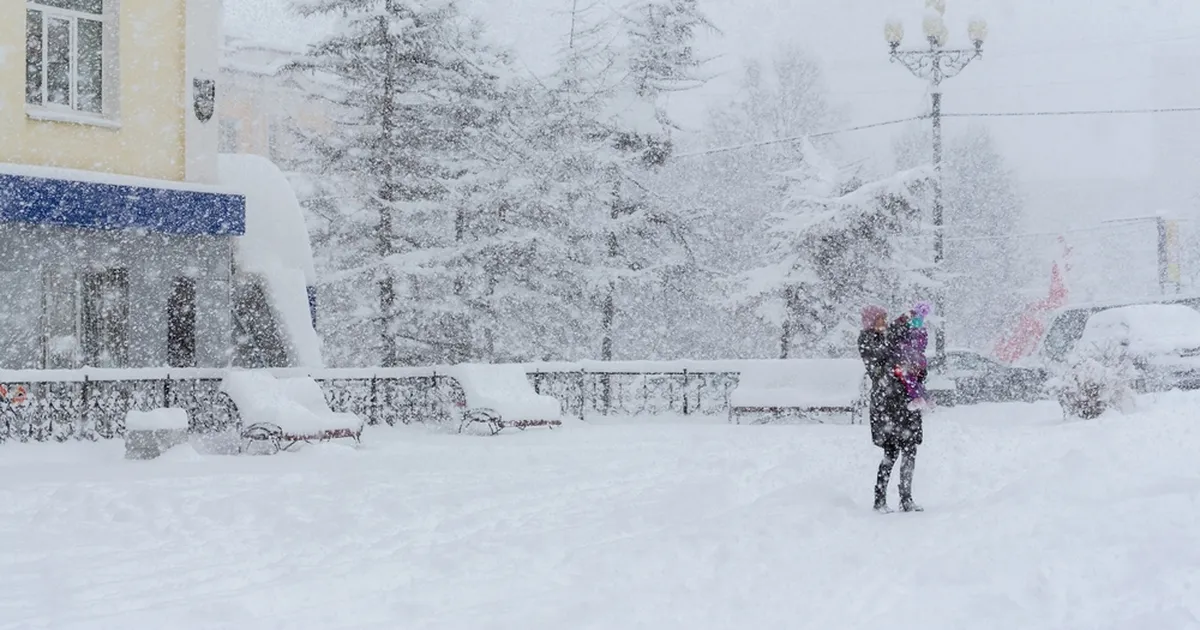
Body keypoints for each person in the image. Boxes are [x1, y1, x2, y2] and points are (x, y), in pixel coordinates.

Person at [870, 303, 928, 513]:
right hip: (889, 409)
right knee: (891, 453)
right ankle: (879, 499)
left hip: (907, 407)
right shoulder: (872, 342)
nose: (884, 324)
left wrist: (917, 372)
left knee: (910, 452)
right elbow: (878, 368)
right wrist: (899, 372)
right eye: (880, 320)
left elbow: (920, 371)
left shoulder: (899, 344)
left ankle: (906, 498)